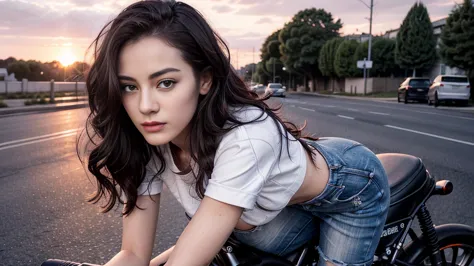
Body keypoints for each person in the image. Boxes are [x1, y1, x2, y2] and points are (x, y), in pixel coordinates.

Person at [78, 1, 390, 266]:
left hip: (351, 189)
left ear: (204, 80)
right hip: (270, 205)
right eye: (129, 87)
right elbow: (133, 253)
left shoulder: (247, 139)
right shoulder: (148, 139)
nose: (145, 106)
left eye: (166, 83)